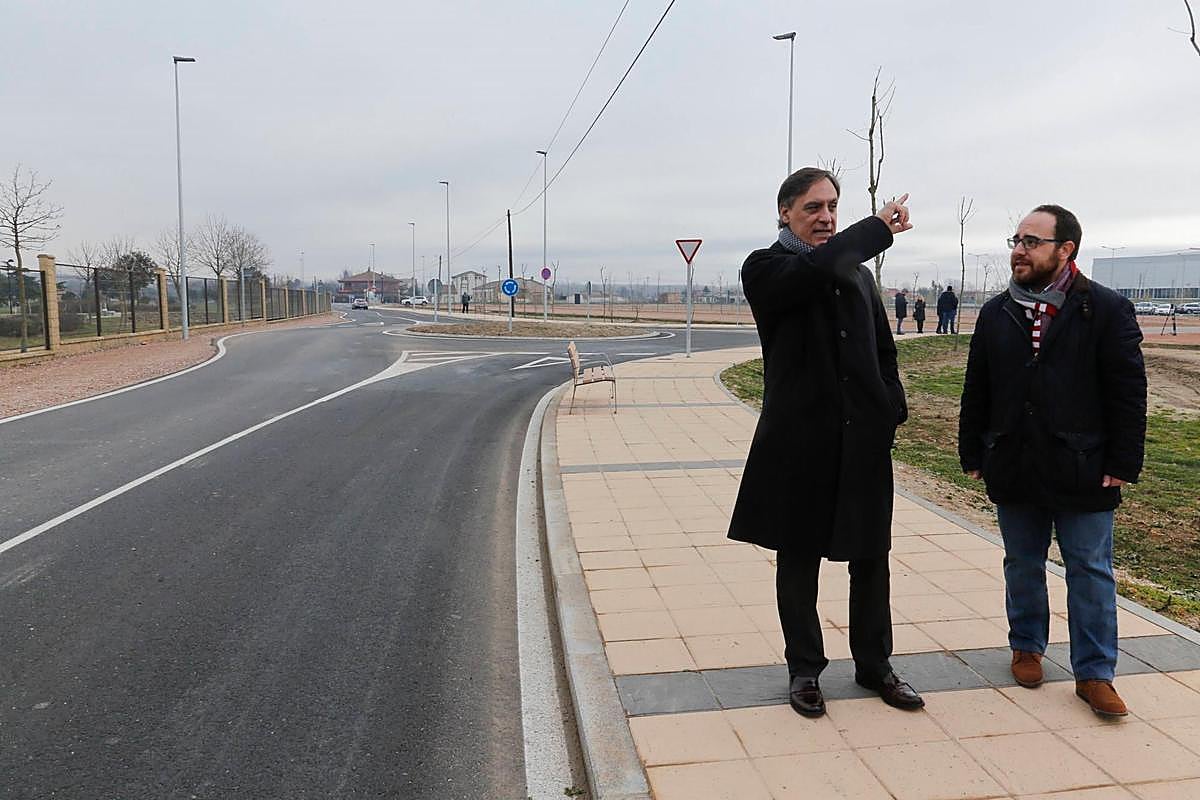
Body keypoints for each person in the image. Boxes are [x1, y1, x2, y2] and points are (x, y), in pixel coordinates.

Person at [729, 167, 923, 717]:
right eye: (814, 207)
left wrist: (891, 407)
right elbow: (817, 268)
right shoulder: (766, 268)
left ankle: (875, 666)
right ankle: (805, 670)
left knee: (871, 558)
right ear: (785, 212)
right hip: (799, 444)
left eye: (833, 206)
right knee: (799, 561)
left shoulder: (858, 276)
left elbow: (884, 350)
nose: (827, 217)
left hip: (862, 441)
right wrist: (876, 226)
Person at [958, 204, 1146, 717]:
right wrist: (974, 449)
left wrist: (1124, 462)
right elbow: (978, 386)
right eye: (1016, 239)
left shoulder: (1105, 309)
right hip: (1015, 460)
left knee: (1089, 568)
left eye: (1032, 241)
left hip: (1084, 464)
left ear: (1066, 250)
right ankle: (1027, 647)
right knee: (1022, 561)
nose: (1019, 250)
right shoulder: (997, 312)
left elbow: (1128, 390)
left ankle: (1095, 673)